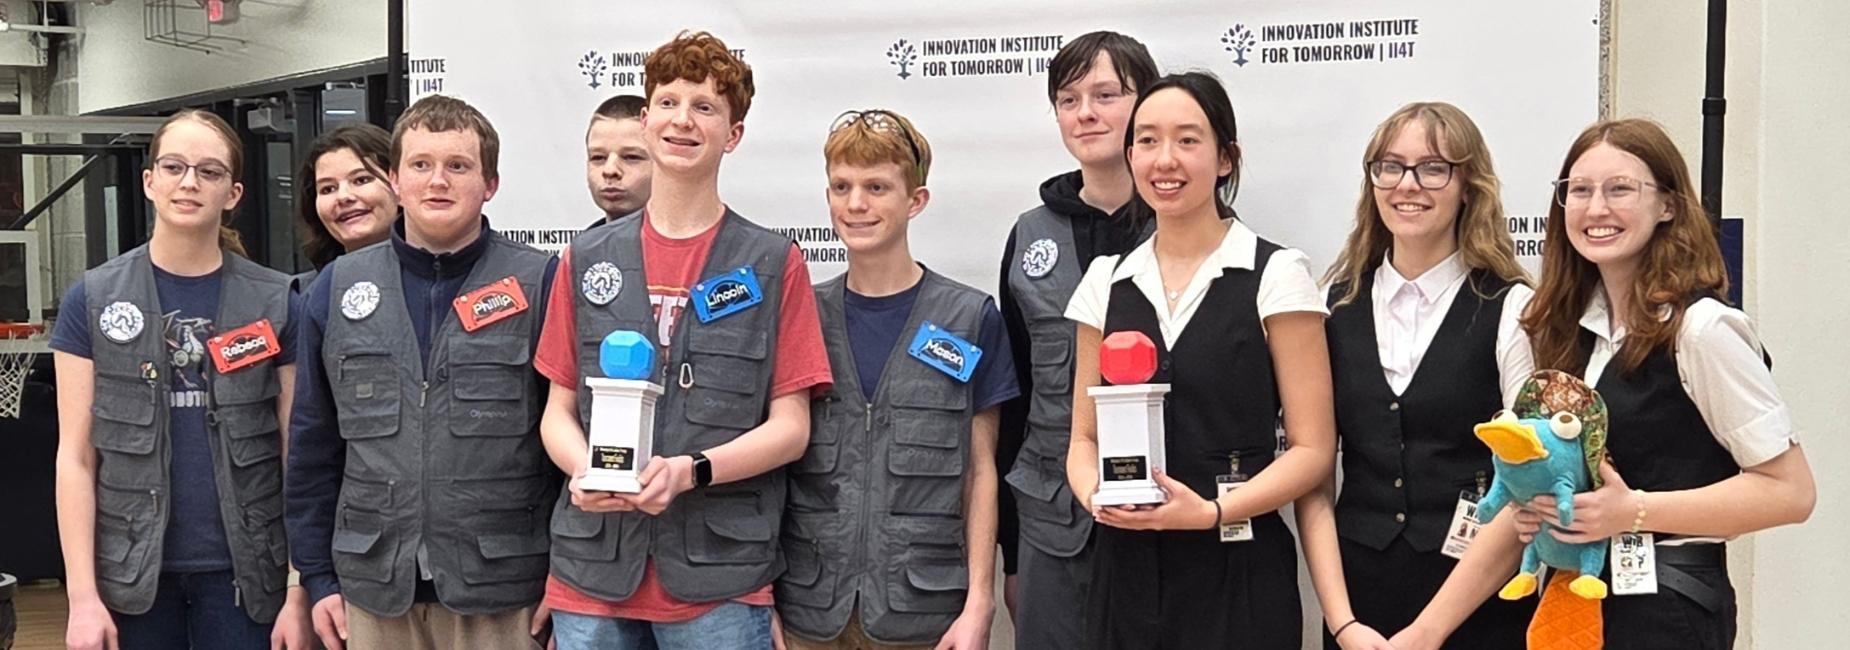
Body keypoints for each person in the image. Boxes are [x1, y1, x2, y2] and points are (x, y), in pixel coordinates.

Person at [1389, 118, 1816, 650]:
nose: (1596, 209)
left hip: (1667, 611)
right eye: (1580, 191)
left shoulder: (1701, 330)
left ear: (1669, 205)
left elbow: (1790, 492)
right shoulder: (1565, 332)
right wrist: (1425, 632)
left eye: (1620, 189)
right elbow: (1534, 498)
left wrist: (1634, 510)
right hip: (1569, 606)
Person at [533, 31, 832, 649]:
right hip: (593, 577)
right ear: (645, 122)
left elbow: (791, 427)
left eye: (705, 107)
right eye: (668, 103)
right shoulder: (583, 259)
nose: (683, 121)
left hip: (719, 578)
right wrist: (591, 470)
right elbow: (558, 412)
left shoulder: (773, 263)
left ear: (734, 133)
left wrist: (690, 471)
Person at [1063, 71, 1335, 649]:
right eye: (1148, 140)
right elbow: (1083, 439)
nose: (1166, 160)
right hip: (1127, 574)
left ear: (1226, 159)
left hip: (1238, 572)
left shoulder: (1276, 274)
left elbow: (1314, 450)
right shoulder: (1105, 282)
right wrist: (1099, 497)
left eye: (1188, 140)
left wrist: (1213, 511)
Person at [285, 95, 560, 650]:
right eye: (420, 165)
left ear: (491, 184)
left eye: (458, 166)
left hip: (507, 591)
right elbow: (313, 450)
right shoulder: (333, 292)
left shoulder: (541, 285)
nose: (438, 181)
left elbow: (570, 445)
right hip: (373, 589)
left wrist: (568, 574)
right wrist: (317, 578)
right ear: (394, 179)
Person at [52, 109, 312, 649]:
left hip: (249, 580)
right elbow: (75, 458)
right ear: (150, 182)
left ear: (234, 192)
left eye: (210, 171)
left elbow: (298, 454)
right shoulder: (94, 299)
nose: (190, 182)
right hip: (130, 580)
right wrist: (82, 599)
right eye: (174, 166)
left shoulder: (276, 301)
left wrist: (297, 589)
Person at [775, 108, 1017, 649]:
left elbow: (981, 473)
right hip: (809, 611)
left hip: (923, 616)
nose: (856, 204)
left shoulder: (969, 318)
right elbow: (773, 474)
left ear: (916, 200)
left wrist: (982, 601)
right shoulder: (800, 315)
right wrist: (762, 598)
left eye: (877, 187)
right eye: (842, 186)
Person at [1298, 102, 1535, 650]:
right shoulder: (1333, 305)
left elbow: (1530, 485)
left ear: (1468, 185)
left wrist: (1429, 633)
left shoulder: (1511, 308)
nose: (1409, 185)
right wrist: (1343, 624)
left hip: (1478, 600)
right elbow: (1312, 479)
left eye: (1433, 168)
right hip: (1360, 605)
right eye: (1391, 166)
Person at [994, 30, 1158, 645]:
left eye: (1106, 94)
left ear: (1147, 103)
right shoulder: (1029, 235)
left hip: (1169, 517)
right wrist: (1013, 556)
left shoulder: (1193, 226)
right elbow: (1015, 400)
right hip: (1052, 526)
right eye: (1068, 99)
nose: (1085, 112)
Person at [294, 122, 399, 288]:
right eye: (328, 189)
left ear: (398, 183)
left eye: (361, 180)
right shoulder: (305, 296)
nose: (343, 197)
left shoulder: (440, 282)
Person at [585, 94, 654, 228]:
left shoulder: (701, 247)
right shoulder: (580, 248)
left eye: (631, 157)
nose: (609, 170)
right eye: (598, 158)